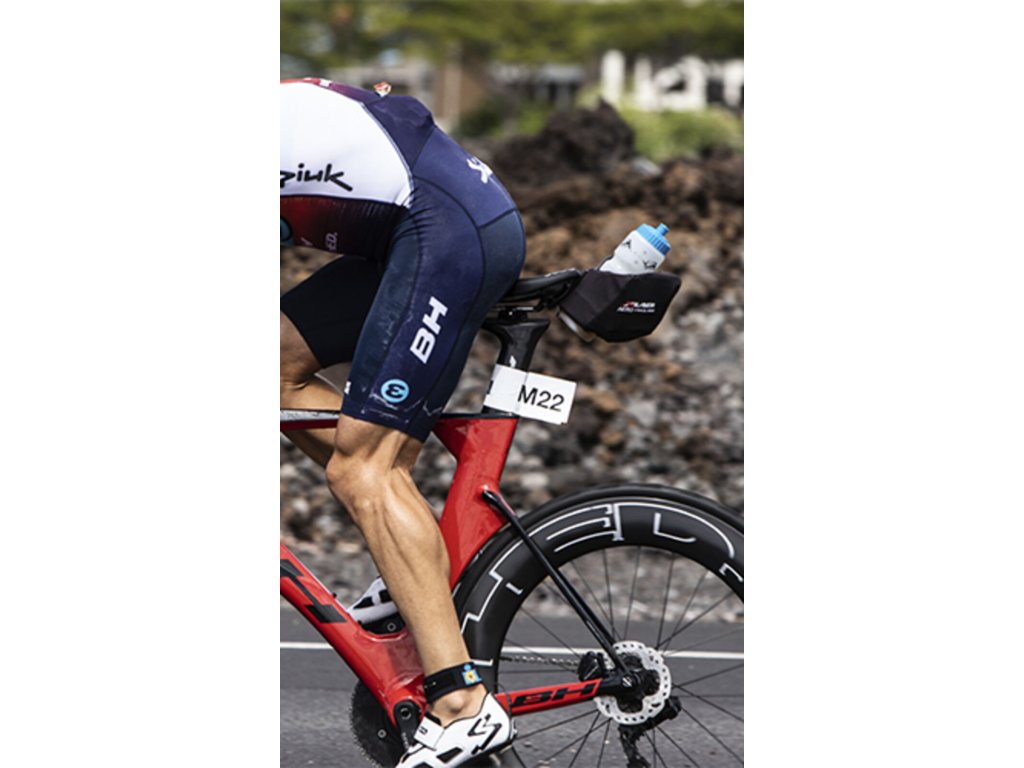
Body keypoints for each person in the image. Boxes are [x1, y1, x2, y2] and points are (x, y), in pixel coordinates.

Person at [280, 78, 524, 767]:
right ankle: (408, 569)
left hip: (447, 231)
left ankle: (462, 706)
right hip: (422, 229)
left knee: (365, 470)